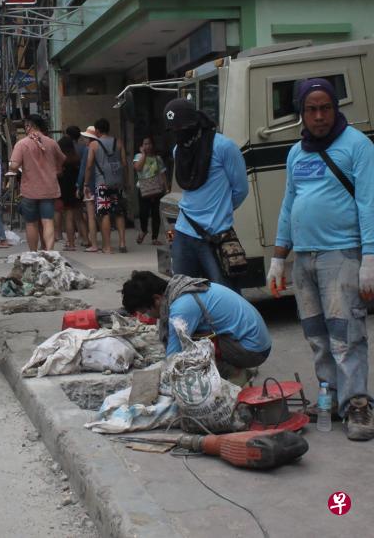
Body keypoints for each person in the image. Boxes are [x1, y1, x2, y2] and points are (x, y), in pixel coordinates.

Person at [268, 78, 374, 441]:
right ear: (302, 112)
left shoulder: (358, 146)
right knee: (316, 335)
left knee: (347, 335)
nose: (319, 116)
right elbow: (288, 204)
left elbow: (368, 203)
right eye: (311, 109)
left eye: (325, 108)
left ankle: (358, 404)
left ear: (335, 108)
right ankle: (329, 397)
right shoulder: (297, 153)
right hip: (304, 259)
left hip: (341, 255)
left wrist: (369, 259)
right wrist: (279, 257)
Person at [121, 271, 271, 381]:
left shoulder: (181, 308)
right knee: (192, 341)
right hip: (253, 342)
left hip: (253, 350)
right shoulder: (180, 289)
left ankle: (234, 375)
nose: (146, 317)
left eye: (145, 311)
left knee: (190, 357)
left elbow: (174, 358)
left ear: (157, 299)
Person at [165, 98, 248, 289]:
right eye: (173, 130)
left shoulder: (224, 147)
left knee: (225, 295)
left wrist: (220, 211)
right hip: (184, 232)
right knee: (183, 292)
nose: (178, 134)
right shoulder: (179, 150)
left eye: (181, 128)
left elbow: (241, 190)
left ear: (194, 123)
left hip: (216, 235)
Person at [9, 114, 65, 251]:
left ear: (29, 125)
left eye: (26, 126)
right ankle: (49, 251)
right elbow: (62, 159)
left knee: (31, 223)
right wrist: (54, 168)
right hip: (48, 189)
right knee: (47, 220)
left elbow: (14, 166)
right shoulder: (51, 143)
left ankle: (33, 253)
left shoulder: (21, 144)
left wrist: (13, 165)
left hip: (30, 191)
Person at [84, 118, 128, 253]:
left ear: (97, 130)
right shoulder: (118, 142)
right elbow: (124, 163)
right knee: (119, 212)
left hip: (101, 183)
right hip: (117, 183)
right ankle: (122, 243)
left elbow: (89, 165)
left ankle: (107, 247)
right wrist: (125, 181)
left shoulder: (94, 145)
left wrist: (86, 183)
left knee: (105, 214)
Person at [133, 137, 168, 245]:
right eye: (145, 144)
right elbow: (138, 168)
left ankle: (154, 238)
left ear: (152, 145)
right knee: (143, 212)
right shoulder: (138, 156)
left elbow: (162, 174)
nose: (147, 146)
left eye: (149, 143)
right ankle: (143, 230)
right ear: (142, 146)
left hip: (156, 189)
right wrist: (143, 154)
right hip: (143, 189)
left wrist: (166, 188)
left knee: (155, 214)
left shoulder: (157, 158)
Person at [57, 136, 83, 251]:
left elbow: (58, 175)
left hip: (64, 190)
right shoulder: (77, 159)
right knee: (78, 217)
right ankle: (84, 238)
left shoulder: (61, 161)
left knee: (67, 218)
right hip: (75, 189)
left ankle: (71, 243)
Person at [77, 125, 99, 251]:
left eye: (86, 137)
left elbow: (84, 168)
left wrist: (80, 185)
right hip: (102, 184)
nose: (84, 139)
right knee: (101, 215)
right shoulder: (101, 147)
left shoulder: (88, 149)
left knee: (90, 216)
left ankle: (94, 244)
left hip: (90, 185)